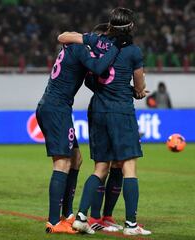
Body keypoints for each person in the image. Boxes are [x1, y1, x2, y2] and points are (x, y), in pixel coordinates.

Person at [58, 7, 151, 236]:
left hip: (98, 110)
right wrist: (137, 91)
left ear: (110, 25)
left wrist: (88, 38)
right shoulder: (133, 52)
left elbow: (64, 37)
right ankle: (131, 225)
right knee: (129, 167)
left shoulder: (97, 43)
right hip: (120, 111)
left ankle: (81, 217)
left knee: (100, 168)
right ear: (130, 27)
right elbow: (139, 87)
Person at [36, 32, 131, 234]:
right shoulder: (80, 49)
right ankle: (54, 221)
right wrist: (114, 48)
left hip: (57, 107)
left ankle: (68, 214)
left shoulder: (74, 49)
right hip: (56, 109)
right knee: (62, 164)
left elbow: (92, 79)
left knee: (76, 159)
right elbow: (98, 67)